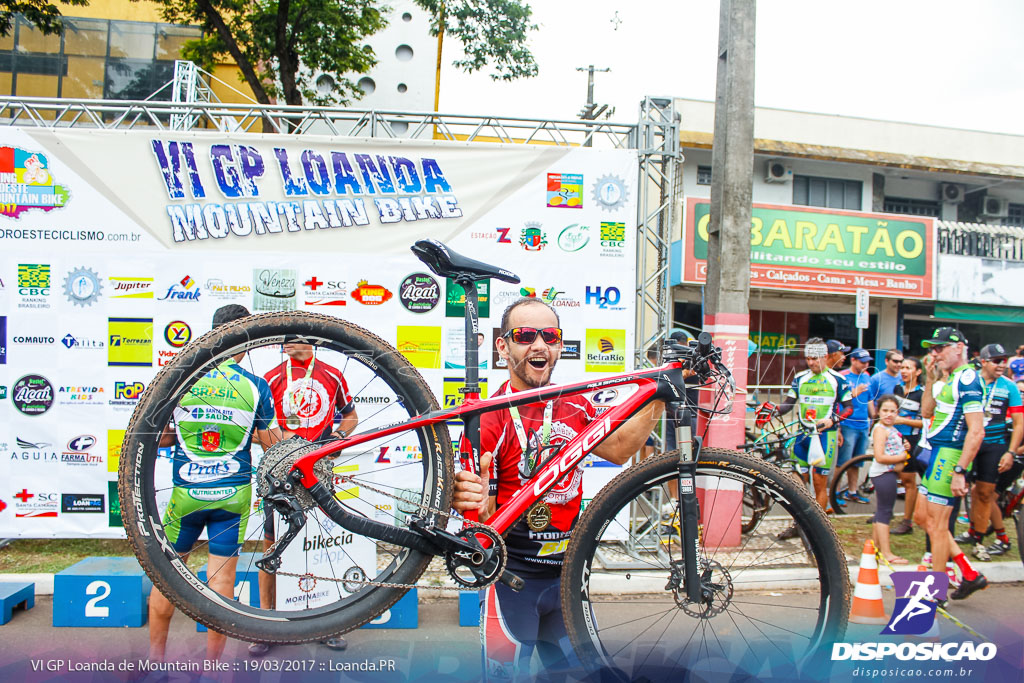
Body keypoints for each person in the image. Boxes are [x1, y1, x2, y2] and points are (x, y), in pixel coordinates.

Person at [452, 297, 660, 682]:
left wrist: (659, 396)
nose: (539, 345)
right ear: (503, 346)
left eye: (549, 336)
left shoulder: (576, 404)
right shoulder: (488, 416)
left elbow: (617, 450)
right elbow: (485, 520)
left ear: (560, 345)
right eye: (525, 335)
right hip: (511, 582)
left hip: (567, 578)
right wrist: (471, 500)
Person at [149, 304, 284, 662]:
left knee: (167, 578)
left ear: (212, 333)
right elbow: (273, 446)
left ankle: (155, 661)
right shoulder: (256, 386)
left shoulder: (180, 377)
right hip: (232, 496)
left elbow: (159, 438)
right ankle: (212, 668)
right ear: (246, 342)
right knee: (221, 583)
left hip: (186, 495)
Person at [249, 342, 360, 656]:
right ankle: (265, 625)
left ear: (312, 340)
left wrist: (338, 436)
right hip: (282, 475)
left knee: (323, 546)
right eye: (286, 337)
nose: (290, 342)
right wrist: (285, 444)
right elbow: (256, 431)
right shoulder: (270, 379)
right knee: (271, 545)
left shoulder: (333, 375)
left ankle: (326, 625)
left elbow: (351, 417)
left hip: (320, 472)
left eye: (297, 336)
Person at [913, 327, 988, 600]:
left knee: (939, 525)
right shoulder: (950, 378)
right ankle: (969, 573)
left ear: (958, 348)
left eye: (940, 348)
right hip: (936, 453)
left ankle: (936, 591)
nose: (934, 353)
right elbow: (926, 411)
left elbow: (976, 431)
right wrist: (931, 379)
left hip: (950, 455)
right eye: (932, 348)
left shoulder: (968, 379)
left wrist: (960, 471)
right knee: (923, 518)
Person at [953, 343, 1023, 560]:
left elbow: (1020, 423)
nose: (1001, 365)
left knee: (984, 493)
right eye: (996, 360)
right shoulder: (970, 380)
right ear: (983, 361)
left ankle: (979, 541)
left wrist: (1011, 452)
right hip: (968, 443)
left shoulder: (1009, 386)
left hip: (994, 444)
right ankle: (971, 531)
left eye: (1004, 360)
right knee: (963, 492)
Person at [775, 338, 854, 517]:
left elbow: (849, 408)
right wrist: (772, 410)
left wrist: (832, 420)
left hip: (825, 435)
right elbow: (787, 405)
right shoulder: (800, 378)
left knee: (819, 482)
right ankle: (799, 524)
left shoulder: (838, 379)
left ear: (825, 357)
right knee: (799, 484)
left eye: (815, 359)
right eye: (808, 359)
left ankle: (820, 526)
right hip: (802, 435)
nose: (811, 363)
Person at [869, 394, 909, 565]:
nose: (889, 414)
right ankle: (886, 553)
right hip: (883, 474)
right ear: (878, 411)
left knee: (882, 512)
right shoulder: (880, 429)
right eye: (885, 410)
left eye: (893, 411)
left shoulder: (891, 429)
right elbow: (880, 456)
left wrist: (905, 447)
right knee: (885, 512)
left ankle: (875, 548)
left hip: (889, 474)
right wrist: (902, 456)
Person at [835, 348, 874, 508]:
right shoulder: (843, 376)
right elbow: (838, 400)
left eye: (867, 362)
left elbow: (870, 398)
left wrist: (873, 417)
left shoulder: (867, 377)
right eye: (862, 362)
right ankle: (836, 491)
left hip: (863, 424)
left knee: (857, 461)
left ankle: (852, 491)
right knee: (843, 461)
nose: (865, 365)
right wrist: (854, 392)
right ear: (854, 360)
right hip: (847, 424)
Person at [891, 357, 925, 535]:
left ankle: (907, 521)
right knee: (888, 475)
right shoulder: (898, 388)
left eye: (908, 368)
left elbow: (926, 422)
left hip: (912, 440)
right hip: (894, 437)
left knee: (908, 481)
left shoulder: (922, 393)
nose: (903, 371)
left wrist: (902, 420)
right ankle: (885, 514)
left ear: (918, 372)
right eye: (902, 367)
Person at [868, 349, 904, 418]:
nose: (899, 364)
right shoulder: (876, 379)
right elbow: (870, 400)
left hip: (900, 420)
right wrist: (874, 417)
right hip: (882, 419)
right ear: (886, 361)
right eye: (895, 361)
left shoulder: (904, 377)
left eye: (901, 361)